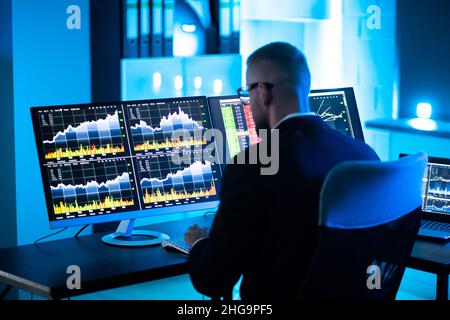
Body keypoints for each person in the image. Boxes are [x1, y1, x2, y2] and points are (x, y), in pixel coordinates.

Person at [184, 42, 380, 299]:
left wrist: (199, 242)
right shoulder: (364, 154)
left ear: (263, 92)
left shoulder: (252, 165)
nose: (250, 100)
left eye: (248, 91)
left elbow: (213, 279)